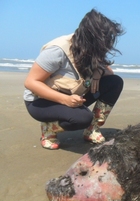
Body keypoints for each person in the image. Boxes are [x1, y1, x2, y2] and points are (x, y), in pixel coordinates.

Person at [23, 9, 125, 150]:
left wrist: (98, 71)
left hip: (73, 96)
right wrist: (65, 100)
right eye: (105, 42)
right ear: (92, 38)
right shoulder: (57, 50)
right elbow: (31, 82)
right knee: (82, 118)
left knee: (115, 82)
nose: (107, 46)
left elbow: (110, 73)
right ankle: (49, 129)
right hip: (41, 101)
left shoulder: (92, 50)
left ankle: (92, 129)